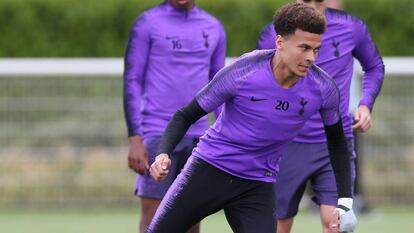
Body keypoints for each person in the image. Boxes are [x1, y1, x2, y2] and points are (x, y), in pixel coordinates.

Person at [147, 3, 357, 233]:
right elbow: (185, 115)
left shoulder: (323, 88)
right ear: (280, 42)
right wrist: (163, 153)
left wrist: (345, 201)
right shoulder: (243, 71)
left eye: (316, 50)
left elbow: (337, 142)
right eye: (304, 48)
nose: (311, 57)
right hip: (208, 170)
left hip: (258, 183)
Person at [256, 1, 384, 233]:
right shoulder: (275, 32)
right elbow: (260, 79)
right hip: (286, 145)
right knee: (278, 225)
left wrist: (365, 105)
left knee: (337, 224)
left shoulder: (352, 27)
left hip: (334, 144)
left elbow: (374, 66)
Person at [123, 0, 226, 232]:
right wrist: (135, 138)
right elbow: (132, 80)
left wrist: (224, 133)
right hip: (157, 134)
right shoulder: (147, 23)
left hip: (201, 137)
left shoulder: (214, 26)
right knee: (154, 217)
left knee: (191, 217)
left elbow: (220, 85)